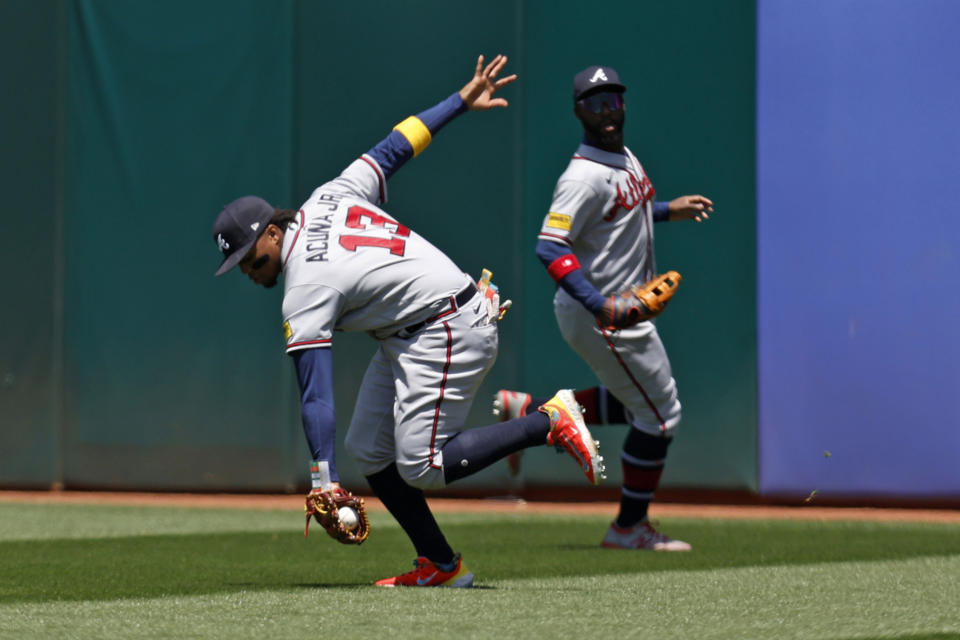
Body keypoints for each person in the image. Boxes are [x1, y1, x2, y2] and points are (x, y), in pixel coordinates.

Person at [211, 55, 604, 587]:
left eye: (252, 259)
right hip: (422, 324)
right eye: (240, 268)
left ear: (274, 233)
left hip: (444, 327)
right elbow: (397, 145)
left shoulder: (304, 284)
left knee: (423, 466)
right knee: (369, 449)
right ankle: (442, 564)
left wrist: (322, 478)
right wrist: (460, 103)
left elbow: (315, 393)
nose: (252, 273)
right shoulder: (330, 193)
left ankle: (548, 421)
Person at [494, 65, 713, 551]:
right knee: (660, 416)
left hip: (621, 309)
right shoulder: (582, 176)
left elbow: (618, 216)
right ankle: (628, 527)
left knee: (645, 402)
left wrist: (665, 209)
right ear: (578, 112)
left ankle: (529, 412)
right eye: (594, 104)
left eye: (612, 101)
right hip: (602, 314)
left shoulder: (623, 156)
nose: (606, 112)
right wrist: (600, 306)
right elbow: (550, 247)